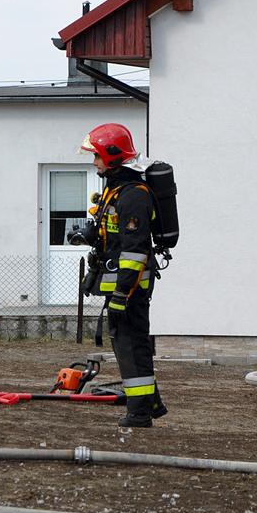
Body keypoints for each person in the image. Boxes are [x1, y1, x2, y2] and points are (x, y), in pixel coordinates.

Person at [80, 123, 168, 428]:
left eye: (97, 156)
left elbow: (135, 251)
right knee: (126, 344)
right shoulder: (115, 191)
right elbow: (115, 239)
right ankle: (150, 403)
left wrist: (121, 294)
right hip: (121, 286)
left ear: (113, 156)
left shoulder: (134, 196)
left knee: (133, 345)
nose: (94, 163)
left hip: (131, 288)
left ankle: (140, 413)